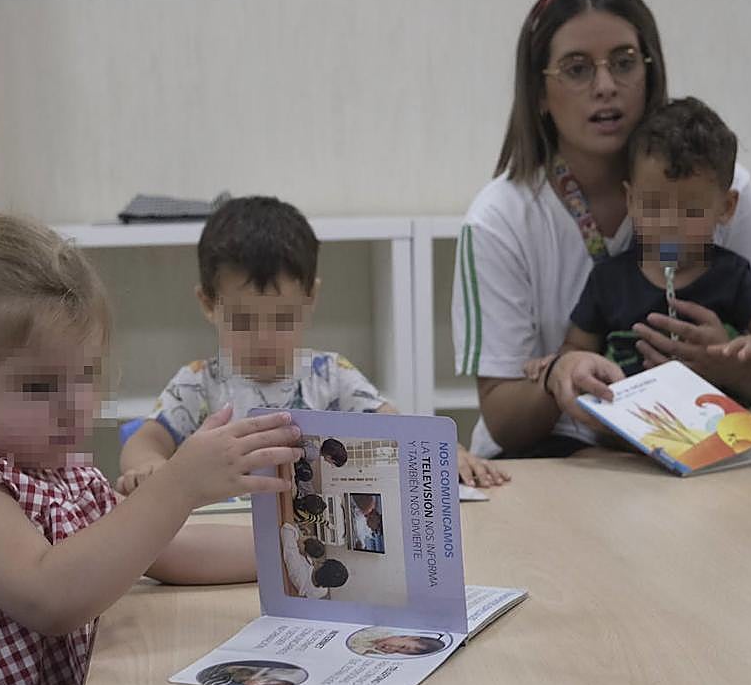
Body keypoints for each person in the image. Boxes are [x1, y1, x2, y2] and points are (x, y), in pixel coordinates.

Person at [0, 204, 299, 685]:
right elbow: (51, 596)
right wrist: (179, 484)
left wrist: (290, 549)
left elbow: (163, 549)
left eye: (86, 375)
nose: (75, 407)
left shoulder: (59, 471)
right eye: (40, 387)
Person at [452, 0, 751, 458]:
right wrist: (560, 375)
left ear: (651, 72)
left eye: (623, 63)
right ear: (538, 93)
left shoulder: (725, 188)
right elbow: (503, 418)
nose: (605, 86)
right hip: (556, 452)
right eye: (577, 69)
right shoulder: (499, 219)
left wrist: (719, 362)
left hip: (702, 440)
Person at [118, 195, 509, 490]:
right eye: (242, 321)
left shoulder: (331, 377)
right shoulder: (198, 384)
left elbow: (398, 430)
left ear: (311, 299)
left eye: (284, 319)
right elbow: (143, 442)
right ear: (207, 304)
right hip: (223, 535)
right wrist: (148, 465)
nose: (264, 338)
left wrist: (446, 454)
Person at [562, 97, 751, 387]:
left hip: (717, 426)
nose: (669, 225)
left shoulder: (731, 276)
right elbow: (575, 348)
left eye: (690, 212)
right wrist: (566, 365)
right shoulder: (609, 280)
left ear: (726, 207)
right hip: (629, 428)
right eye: (653, 207)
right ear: (631, 200)